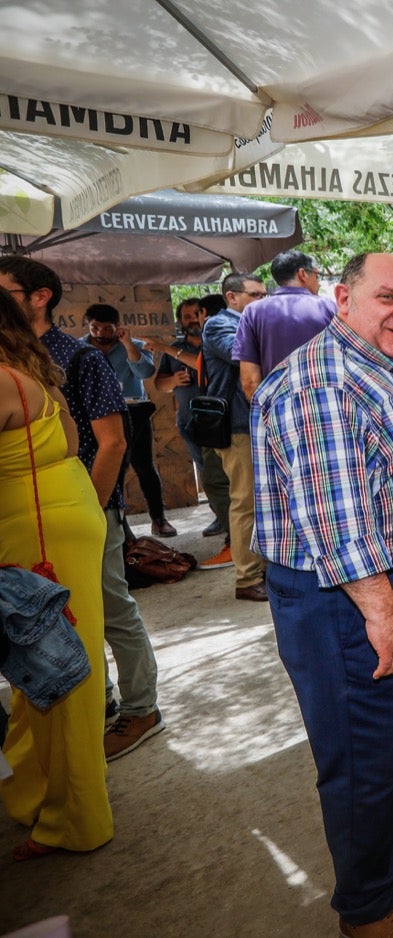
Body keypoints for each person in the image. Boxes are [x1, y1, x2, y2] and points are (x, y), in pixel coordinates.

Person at [254, 253, 393, 938]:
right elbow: (337, 521)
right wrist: (383, 612)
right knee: (361, 755)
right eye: (389, 298)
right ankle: (369, 908)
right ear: (344, 299)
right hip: (351, 596)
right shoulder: (324, 380)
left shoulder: (380, 366)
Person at [0, 256, 163, 762]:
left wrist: (89, 510)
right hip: (42, 516)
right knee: (60, 620)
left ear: (39, 296)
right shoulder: (18, 355)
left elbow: (112, 442)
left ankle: (142, 709)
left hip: (85, 505)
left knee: (111, 609)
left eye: (5, 289)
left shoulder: (77, 356)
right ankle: (102, 699)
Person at [0, 288, 113, 861]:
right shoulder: (30, 368)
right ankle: (35, 789)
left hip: (33, 527)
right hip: (61, 513)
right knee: (45, 661)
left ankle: (74, 819)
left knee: (61, 669)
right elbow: (71, 444)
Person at [203, 272, 268, 601]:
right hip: (238, 427)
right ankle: (247, 578)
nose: (262, 301)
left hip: (256, 424)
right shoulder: (219, 325)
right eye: (255, 295)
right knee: (245, 503)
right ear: (232, 297)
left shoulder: (253, 323)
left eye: (264, 295)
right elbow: (241, 352)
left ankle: (263, 570)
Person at [80, 303, 172, 537]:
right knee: (110, 469)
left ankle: (159, 519)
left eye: (107, 328)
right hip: (96, 417)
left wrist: (128, 344)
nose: (101, 333)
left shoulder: (135, 346)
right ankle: (119, 525)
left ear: (118, 327)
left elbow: (145, 373)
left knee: (143, 465)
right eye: (95, 328)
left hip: (133, 412)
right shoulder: (79, 349)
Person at [152, 298, 229, 538]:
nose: (193, 320)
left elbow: (200, 364)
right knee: (207, 472)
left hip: (219, 421)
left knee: (226, 474)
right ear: (181, 321)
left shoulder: (215, 340)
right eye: (187, 316)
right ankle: (221, 517)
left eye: (197, 314)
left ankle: (232, 527)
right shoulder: (176, 347)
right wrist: (173, 381)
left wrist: (165, 348)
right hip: (190, 422)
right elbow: (160, 385)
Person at [235, 250, 337, 400]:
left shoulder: (253, 312)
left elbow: (249, 381)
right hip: (327, 405)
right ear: (302, 274)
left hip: (277, 409)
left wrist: (265, 416)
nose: (319, 282)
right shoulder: (330, 308)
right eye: (317, 275)